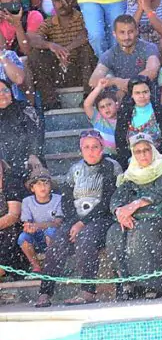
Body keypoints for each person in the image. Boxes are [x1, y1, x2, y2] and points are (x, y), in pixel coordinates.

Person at [34, 130, 121, 307]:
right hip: (76, 218)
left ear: (102, 148)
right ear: (81, 150)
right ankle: (45, 292)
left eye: (95, 147)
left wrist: (83, 223)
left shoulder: (112, 167)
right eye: (86, 147)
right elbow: (67, 201)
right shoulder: (75, 170)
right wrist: (74, 222)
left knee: (85, 239)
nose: (91, 151)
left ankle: (88, 290)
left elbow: (108, 200)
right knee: (57, 242)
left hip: (102, 218)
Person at [107, 132, 162, 300]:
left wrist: (134, 205)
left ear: (153, 150)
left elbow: (161, 194)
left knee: (142, 230)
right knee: (114, 232)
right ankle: (127, 284)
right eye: (138, 151)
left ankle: (151, 284)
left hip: (159, 216)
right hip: (134, 217)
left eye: (146, 150)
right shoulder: (131, 173)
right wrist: (120, 213)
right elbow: (117, 198)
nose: (143, 154)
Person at [27, 0, 95, 110]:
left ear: (73, 0)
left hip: (81, 71)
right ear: (52, 2)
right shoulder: (48, 22)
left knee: (87, 49)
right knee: (36, 54)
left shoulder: (83, 17)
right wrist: (50, 45)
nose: (62, 4)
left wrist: (65, 50)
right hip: (58, 72)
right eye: (57, 0)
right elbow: (33, 40)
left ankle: (89, 97)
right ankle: (50, 101)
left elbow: (88, 34)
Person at [88, 15, 160, 96]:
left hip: (147, 96)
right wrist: (115, 81)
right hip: (123, 98)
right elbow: (93, 81)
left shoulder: (149, 47)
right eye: (122, 32)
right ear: (114, 34)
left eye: (130, 32)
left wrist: (129, 83)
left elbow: (152, 71)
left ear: (137, 31)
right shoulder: (110, 54)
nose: (127, 37)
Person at [113, 77, 162, 168]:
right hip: (132, 165)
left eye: (145, 92)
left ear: (150, 92)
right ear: (131, 95)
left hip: (159, 163)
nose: (142, 96)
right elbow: (120, 144)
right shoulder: (124, 115)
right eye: (137, 93)